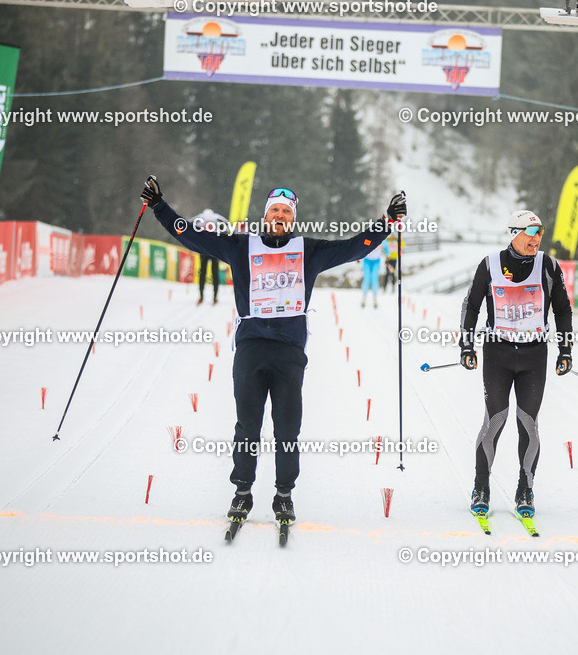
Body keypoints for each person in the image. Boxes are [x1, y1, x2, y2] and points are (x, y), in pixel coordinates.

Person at [140, 178, 406, 525]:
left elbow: (354, 247)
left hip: (289, 351)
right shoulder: (240, 247)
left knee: (287, 428)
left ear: (292, 218)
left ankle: (283, 494)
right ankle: (242, 493)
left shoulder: (307, 250)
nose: (280, 216)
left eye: (285, 212)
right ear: (266, 216)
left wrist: (386, 222)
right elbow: (192, 236)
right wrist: (160, 206)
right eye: (275, 211)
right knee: (247, 426)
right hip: (250, 347)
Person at [459, 210, 573, 518]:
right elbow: (471, 304)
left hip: (534, 355)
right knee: (495, 420)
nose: (536, 238)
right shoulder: (491, 265)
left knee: (529, 424)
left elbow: (563, 310)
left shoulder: (548, 266)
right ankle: (481, 486)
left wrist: (566, 350)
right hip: (498, 353)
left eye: (540, 232)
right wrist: (466, 344)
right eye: (530, 231)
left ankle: (526, 489)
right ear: (514, 233)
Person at [191, 208, 228, 305]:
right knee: (203, 273)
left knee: (214, 273)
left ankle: (214, 297)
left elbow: (226, 227)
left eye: (210, 222)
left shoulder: (215, 221)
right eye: (207, 222)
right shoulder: (201, 222)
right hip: (205, 251)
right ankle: (201, 297)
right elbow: (191, 226)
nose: (208, 224)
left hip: (213, 250)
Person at [360, 243, 381, 308]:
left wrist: (388, 256)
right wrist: (357, 256)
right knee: (366, 278)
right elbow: (362, 246)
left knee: (374, 279)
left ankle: (375, 298)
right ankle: (364, 297)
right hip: (367, 260)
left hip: (376, 261)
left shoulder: (381, 238)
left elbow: (386, 247)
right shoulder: (368, 238)